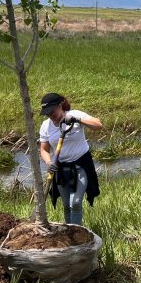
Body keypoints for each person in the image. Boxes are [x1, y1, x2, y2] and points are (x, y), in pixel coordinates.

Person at [38, 92, 102, 225]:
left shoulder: (75, 114)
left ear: (60, 105)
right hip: (61, 168)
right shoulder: (46, 126)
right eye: (47, 113)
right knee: (67, 204)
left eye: (52, 111)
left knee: (76, 202)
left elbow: (98, 125)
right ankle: (69, 233)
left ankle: (76, 232)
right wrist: (49, 162)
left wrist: (77, 120)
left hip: (81, 164)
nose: (50, 116)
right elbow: (44, 150)